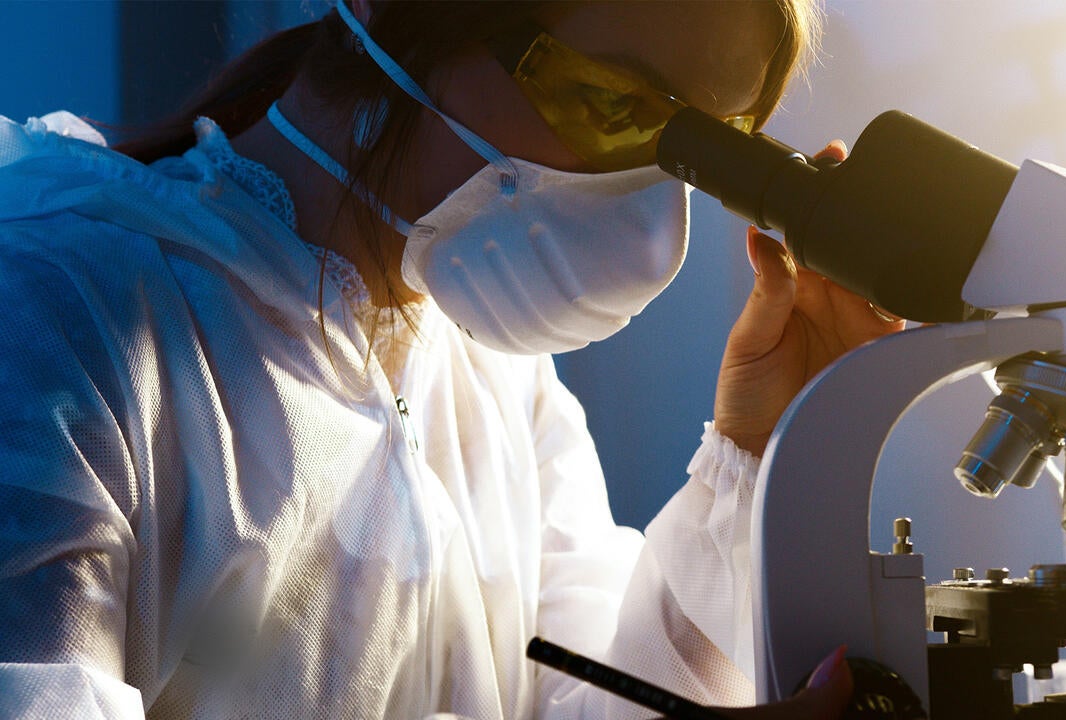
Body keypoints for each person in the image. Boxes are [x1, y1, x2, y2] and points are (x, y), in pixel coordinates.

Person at [0, 1, 903, 718]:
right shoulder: (55, 316)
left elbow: (606, 703)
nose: (654, 216)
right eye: (613, 105)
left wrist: (753, 450)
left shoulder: (495, 378)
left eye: (705, 158)